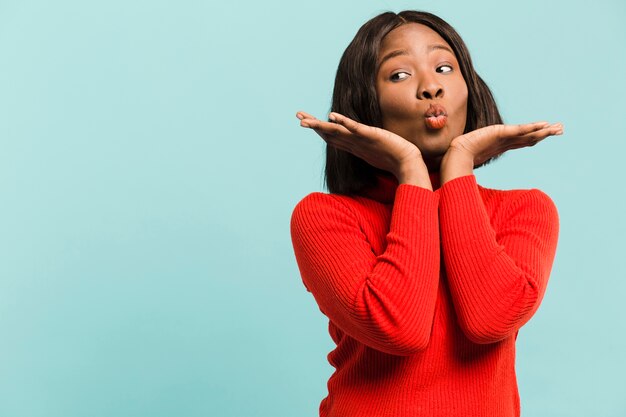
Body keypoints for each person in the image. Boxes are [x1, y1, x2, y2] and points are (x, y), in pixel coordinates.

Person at [290, 10, 562, 417]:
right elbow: (399, 328)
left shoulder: (525, 210)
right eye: (398, 75)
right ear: (366, 101)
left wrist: (458, 166)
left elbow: (490, 319)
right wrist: (410, 171)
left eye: (444, 67)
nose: (431, 86)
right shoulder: (325, 217)